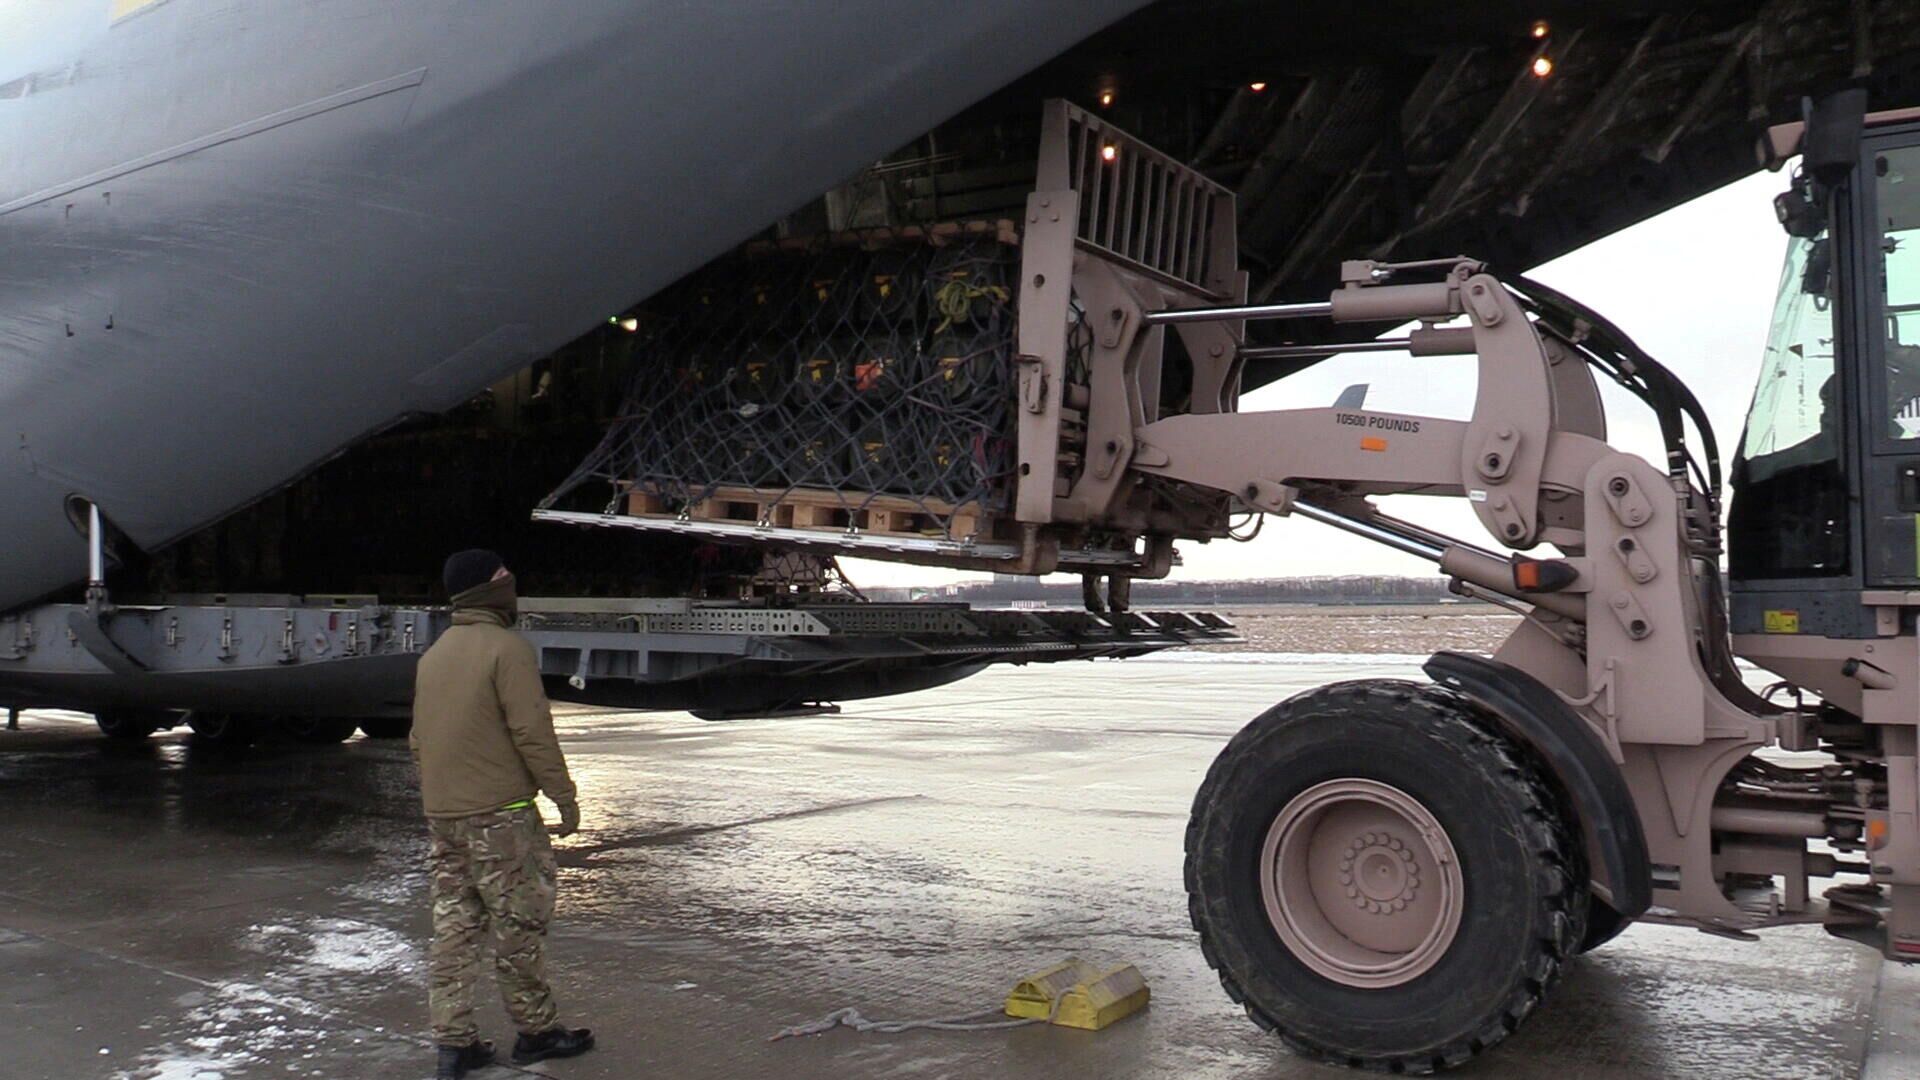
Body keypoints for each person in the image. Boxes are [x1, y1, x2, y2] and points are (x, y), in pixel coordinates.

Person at [411, 549, 595, 1079]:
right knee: (519, 927)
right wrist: (563, 795)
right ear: (481, 590)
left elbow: (419, 739)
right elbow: (532, 733)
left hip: (445, 816)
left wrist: (441, 799)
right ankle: (536, 1033)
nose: (508, 580)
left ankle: (454, 1045)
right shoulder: (506, 649)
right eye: (500, 575)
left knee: (455, 930)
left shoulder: (435, 655)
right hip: (501, 817)